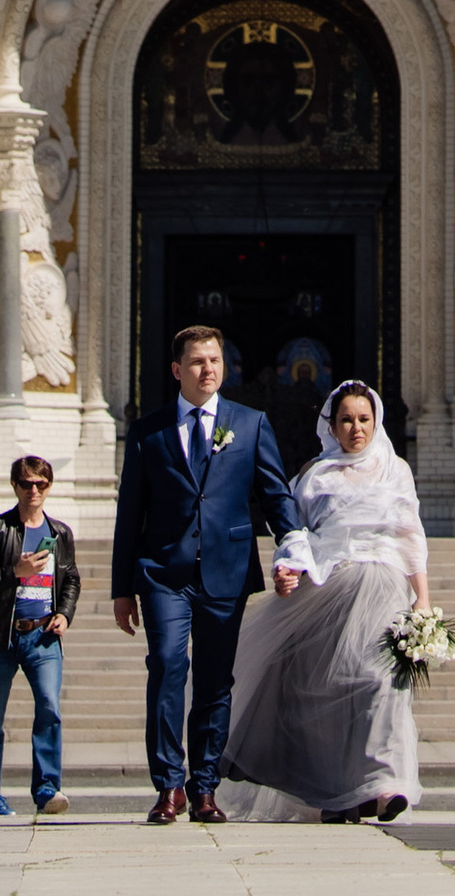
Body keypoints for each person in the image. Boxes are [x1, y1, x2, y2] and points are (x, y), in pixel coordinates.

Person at [110, 319, 309, 825]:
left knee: (216, 682)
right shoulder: (148, 432)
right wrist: (122, 588)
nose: (208, 370)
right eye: (198, 362)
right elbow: (130, 512)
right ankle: (168, 785)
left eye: (215, 361)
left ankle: (204, 788)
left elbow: (275, 495)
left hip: (226, 570)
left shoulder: (250, 423)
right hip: (163, 571)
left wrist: (292, 550)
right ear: (178, 369)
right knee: (168, 667)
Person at [216, 379, 425, 827]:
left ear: (376, 421)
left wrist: (422, 598)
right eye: (346, 420)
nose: (356, 428)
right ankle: (337, 792)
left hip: (384, 584)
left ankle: (384, 785)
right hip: (329, 585)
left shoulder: (395, 470)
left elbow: (411, 535)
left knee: (380, 681)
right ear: (331, 425)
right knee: (326, 688)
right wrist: (288, 567)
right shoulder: (316, 475)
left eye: (364, 419)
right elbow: (296, 533)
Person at [0, 457, 78, 818]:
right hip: (0, 636)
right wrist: (16, 571)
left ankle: (47, 790)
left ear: (49, 488)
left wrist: (64, 614)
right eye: (27, 484)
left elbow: (71, 578)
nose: (33, 491)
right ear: (15, 486)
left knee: (49, 707)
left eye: (41, 485)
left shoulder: (59, 533)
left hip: (43, 635)